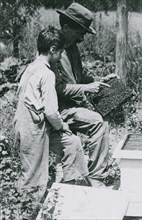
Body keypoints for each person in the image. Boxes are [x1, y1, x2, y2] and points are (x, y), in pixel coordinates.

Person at [14, 26, 90, 219]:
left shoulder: (31, 67)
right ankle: (25, 213)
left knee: (72, 144)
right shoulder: (46, 74)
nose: (62, 55)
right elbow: (50, 111)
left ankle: (68, 196)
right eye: (61, 51)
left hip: (37, 125)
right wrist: (61, 125)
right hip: (33, 128)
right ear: (53, 49)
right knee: (35, 178)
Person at [51, 3, 118, 187]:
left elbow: (79, 77)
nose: (82, 38)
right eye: (79, 32)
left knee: (101, 121)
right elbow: (57, 88)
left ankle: (94, 175)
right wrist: (86, 89)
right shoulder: (53, 49)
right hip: (55, 110)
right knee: (98, 122)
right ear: (65, 28)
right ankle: (96, 178)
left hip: (69, 106)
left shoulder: (72, 48)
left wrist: (100, 80)